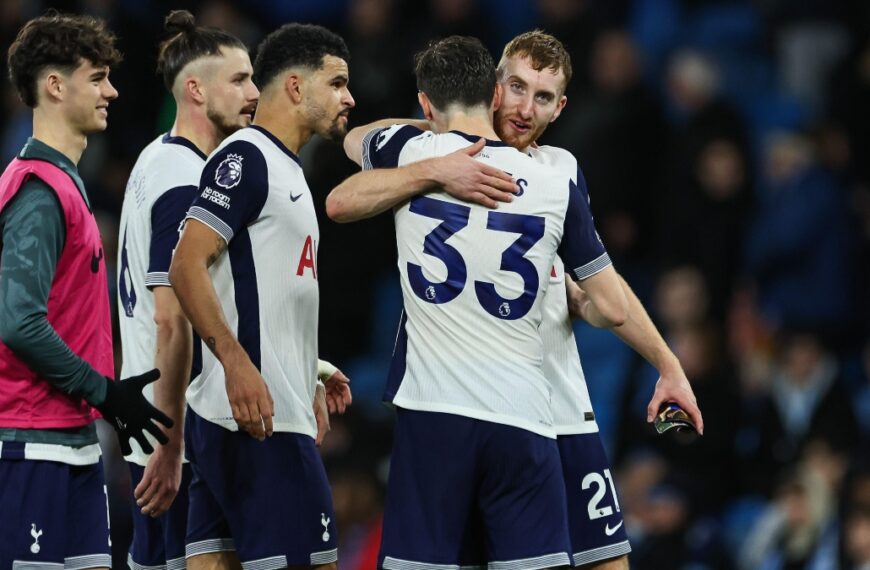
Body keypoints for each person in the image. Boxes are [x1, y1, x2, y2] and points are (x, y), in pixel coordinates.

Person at [327, 30, 704, 569]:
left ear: (561, 107)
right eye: (517, 88)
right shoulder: (464, 162)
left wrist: (647, 348)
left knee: (607, 561)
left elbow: (605, 300)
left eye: (544, 97)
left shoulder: (561, 170)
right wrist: (440, 146)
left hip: (557, 403)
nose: (527, 108)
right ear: (492, 90)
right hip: (499, 412)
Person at [169, 23, 354, 570]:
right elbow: (186, 265)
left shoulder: (285, 171)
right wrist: (236, 361)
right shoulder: (248, 158)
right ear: (296, 87)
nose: (350, 97)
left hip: (248, 412)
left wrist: (309, 372)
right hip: (260, 423)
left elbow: (260, 293)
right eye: (338, 82)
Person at [0, 12, 172, 569]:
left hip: (68, 441)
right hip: (29, 442)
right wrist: (104, 391)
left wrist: (99, 400)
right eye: (97, 77)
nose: (112, 91)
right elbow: (18, 321)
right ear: (55, 86)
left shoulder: (63, 183)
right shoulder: (37, 193)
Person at [116, 10, 258, 570]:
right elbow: (171, 319)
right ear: (195, 89)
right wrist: (170, 447)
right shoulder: (184, 180)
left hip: (149, 417)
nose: (253, 93)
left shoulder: (157, 156)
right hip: (170, 427)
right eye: (240, 80)